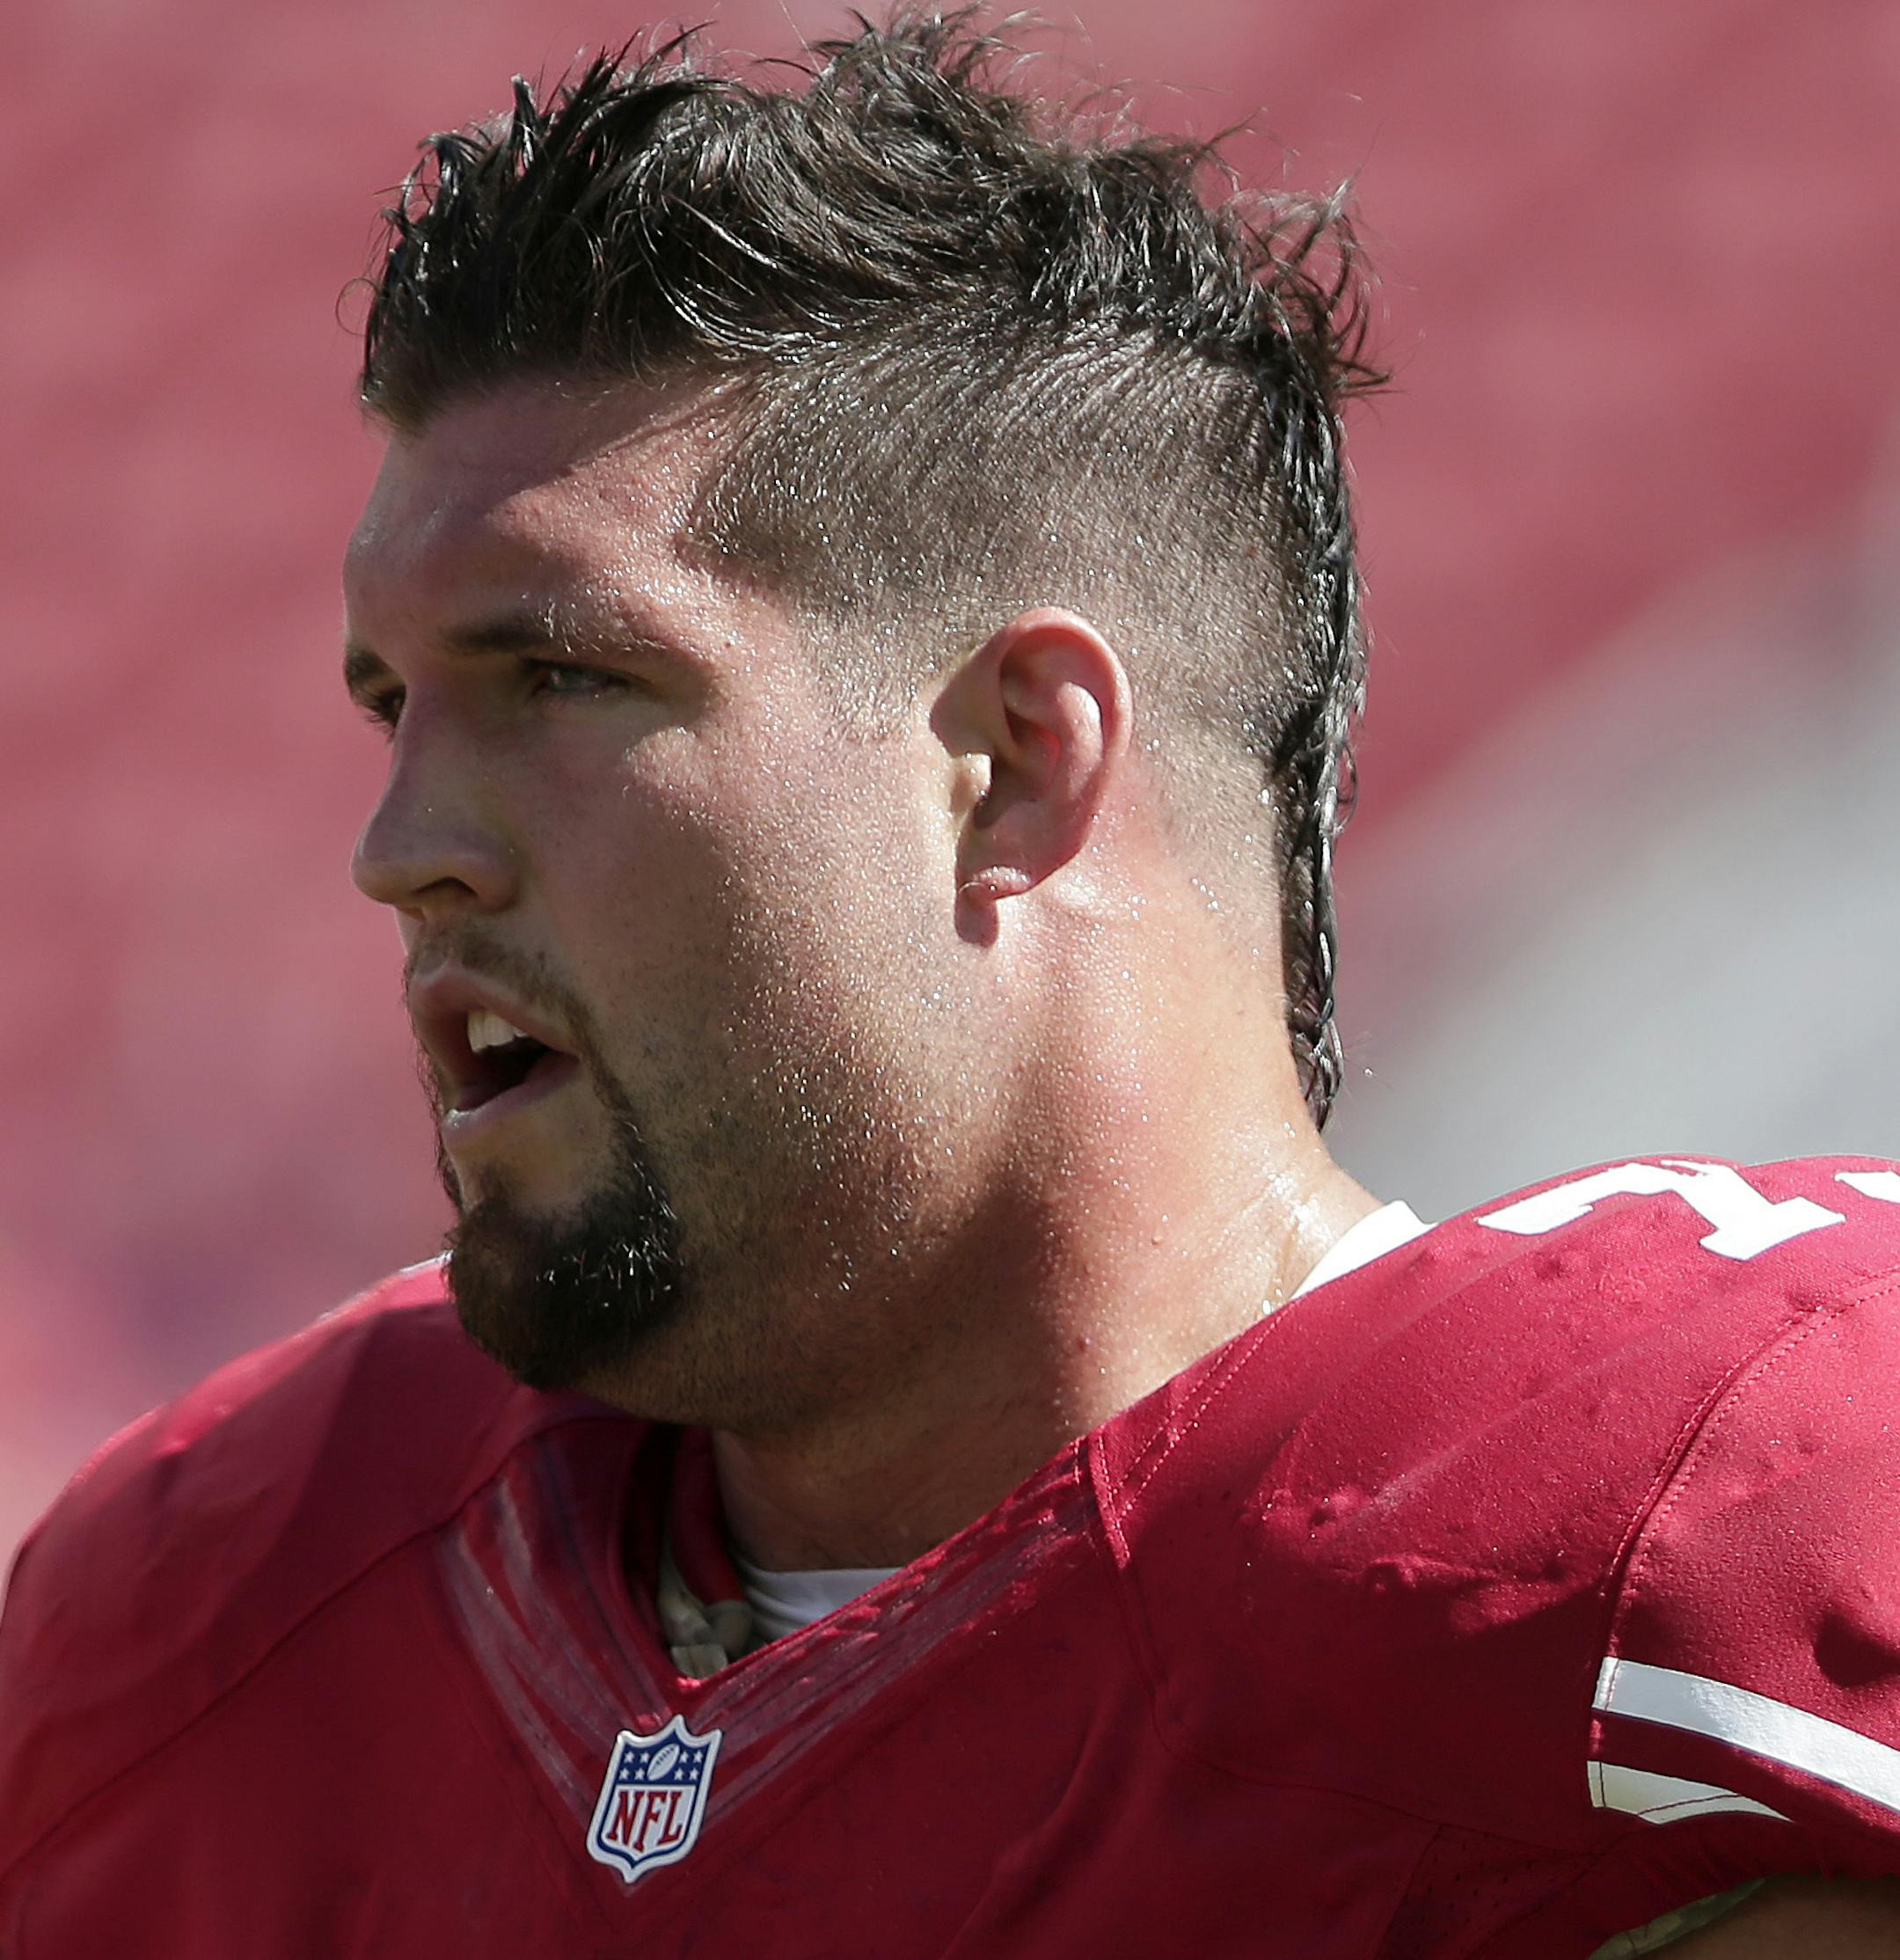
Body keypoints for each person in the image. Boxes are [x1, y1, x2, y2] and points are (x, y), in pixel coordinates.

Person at [4, 13, 1899, 1955]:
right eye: (394, 707)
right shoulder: (226, 1617)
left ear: (1012, 761)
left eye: (564, 679)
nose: (401, 846)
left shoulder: (1666, 1553)